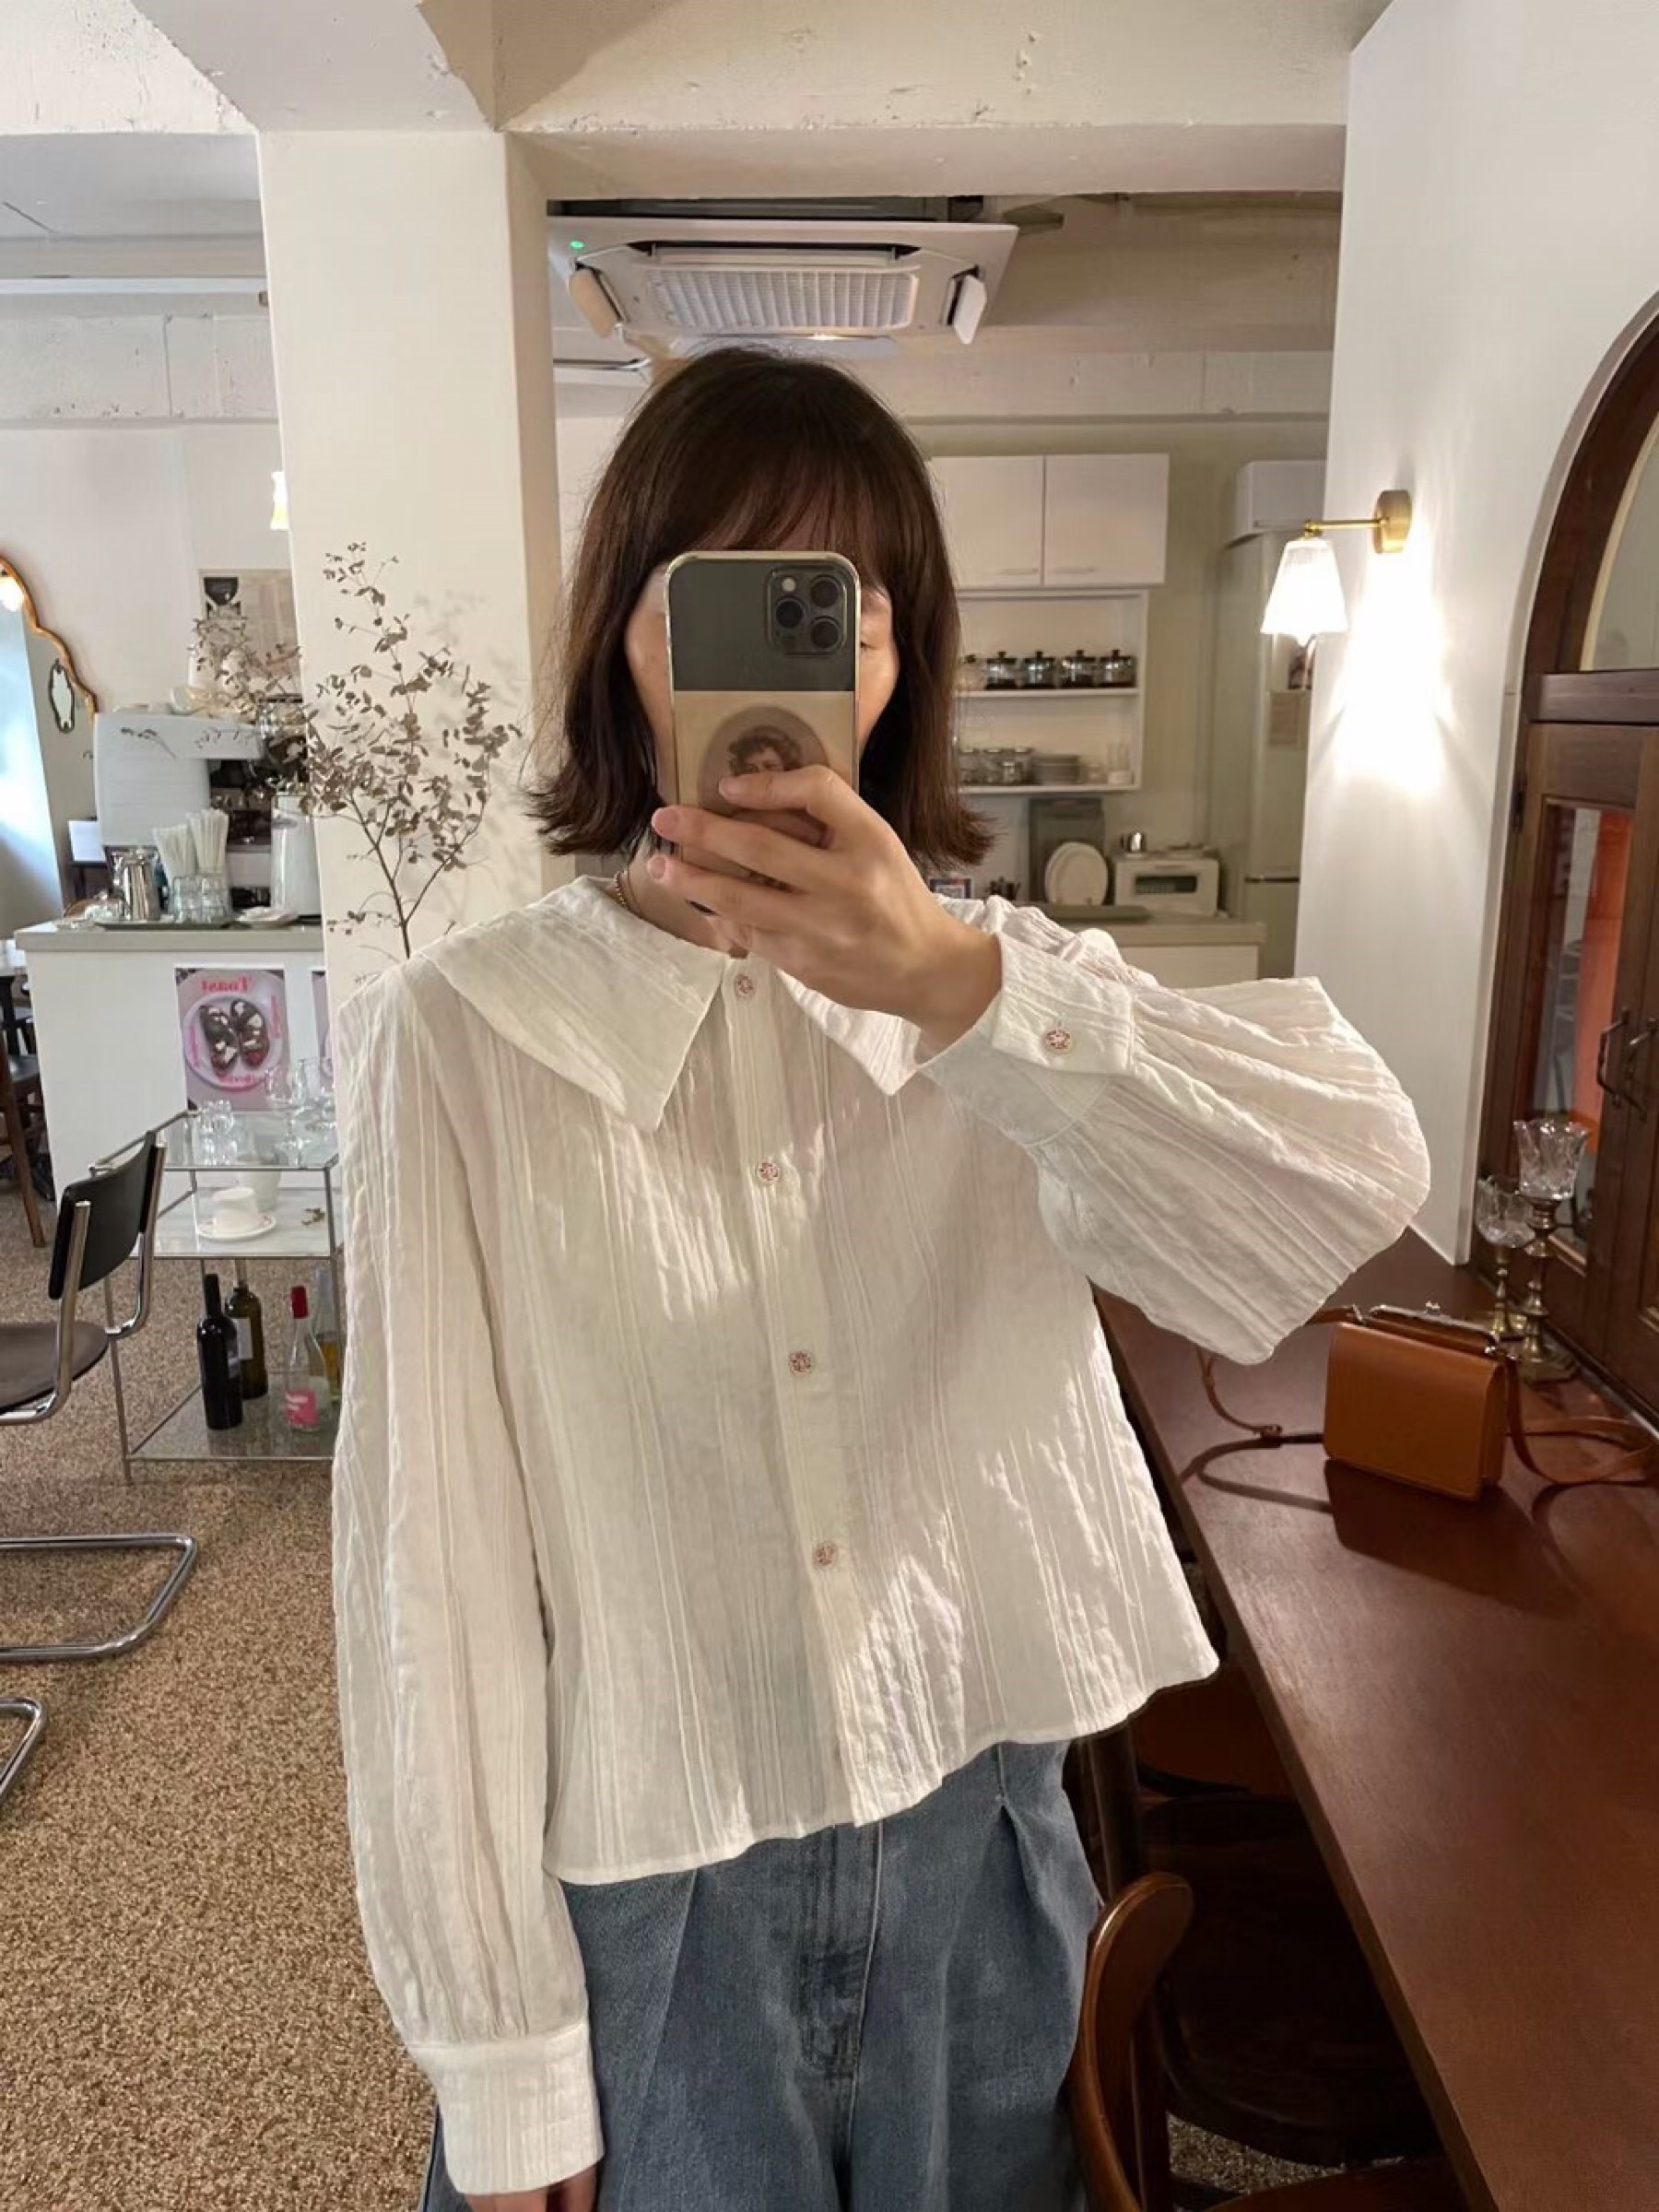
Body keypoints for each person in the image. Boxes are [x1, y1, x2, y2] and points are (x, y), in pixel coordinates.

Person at [332, 347, 1431, 2212]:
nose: (786, 672)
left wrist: (960, 992)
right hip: (654, 1913)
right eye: (720, 598)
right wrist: (503, 2071)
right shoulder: (462, 1039)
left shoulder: (1005, 997)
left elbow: (1352, 1174)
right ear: (625, 647)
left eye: (836, 608)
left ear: (903, 662)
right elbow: (427, 1581)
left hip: (980, 1862)